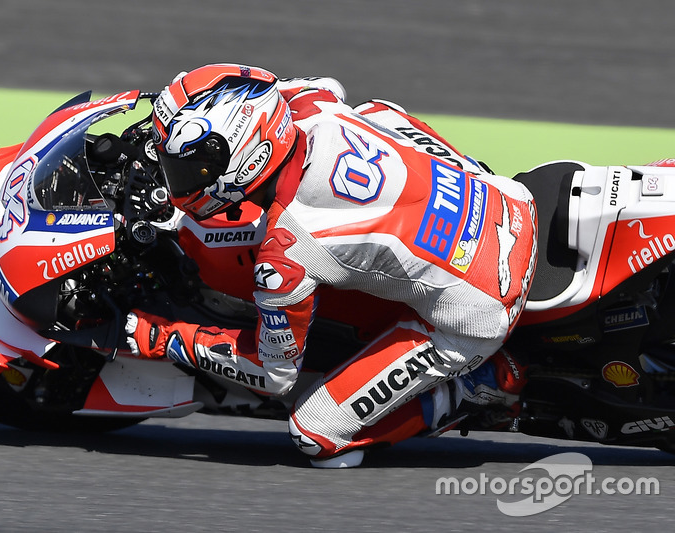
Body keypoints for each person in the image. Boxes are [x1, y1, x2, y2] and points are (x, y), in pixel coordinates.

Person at [125, 63, 536, 467]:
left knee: (314, 433)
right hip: (509, 202)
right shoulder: (311, 105)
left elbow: (274, 376)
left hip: (485, 303)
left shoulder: (287, 252)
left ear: (248, 161)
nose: (177, 178)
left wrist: (160, 337)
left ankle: (474, 387)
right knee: (378, 112)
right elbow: (315, 85)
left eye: (188, 169)